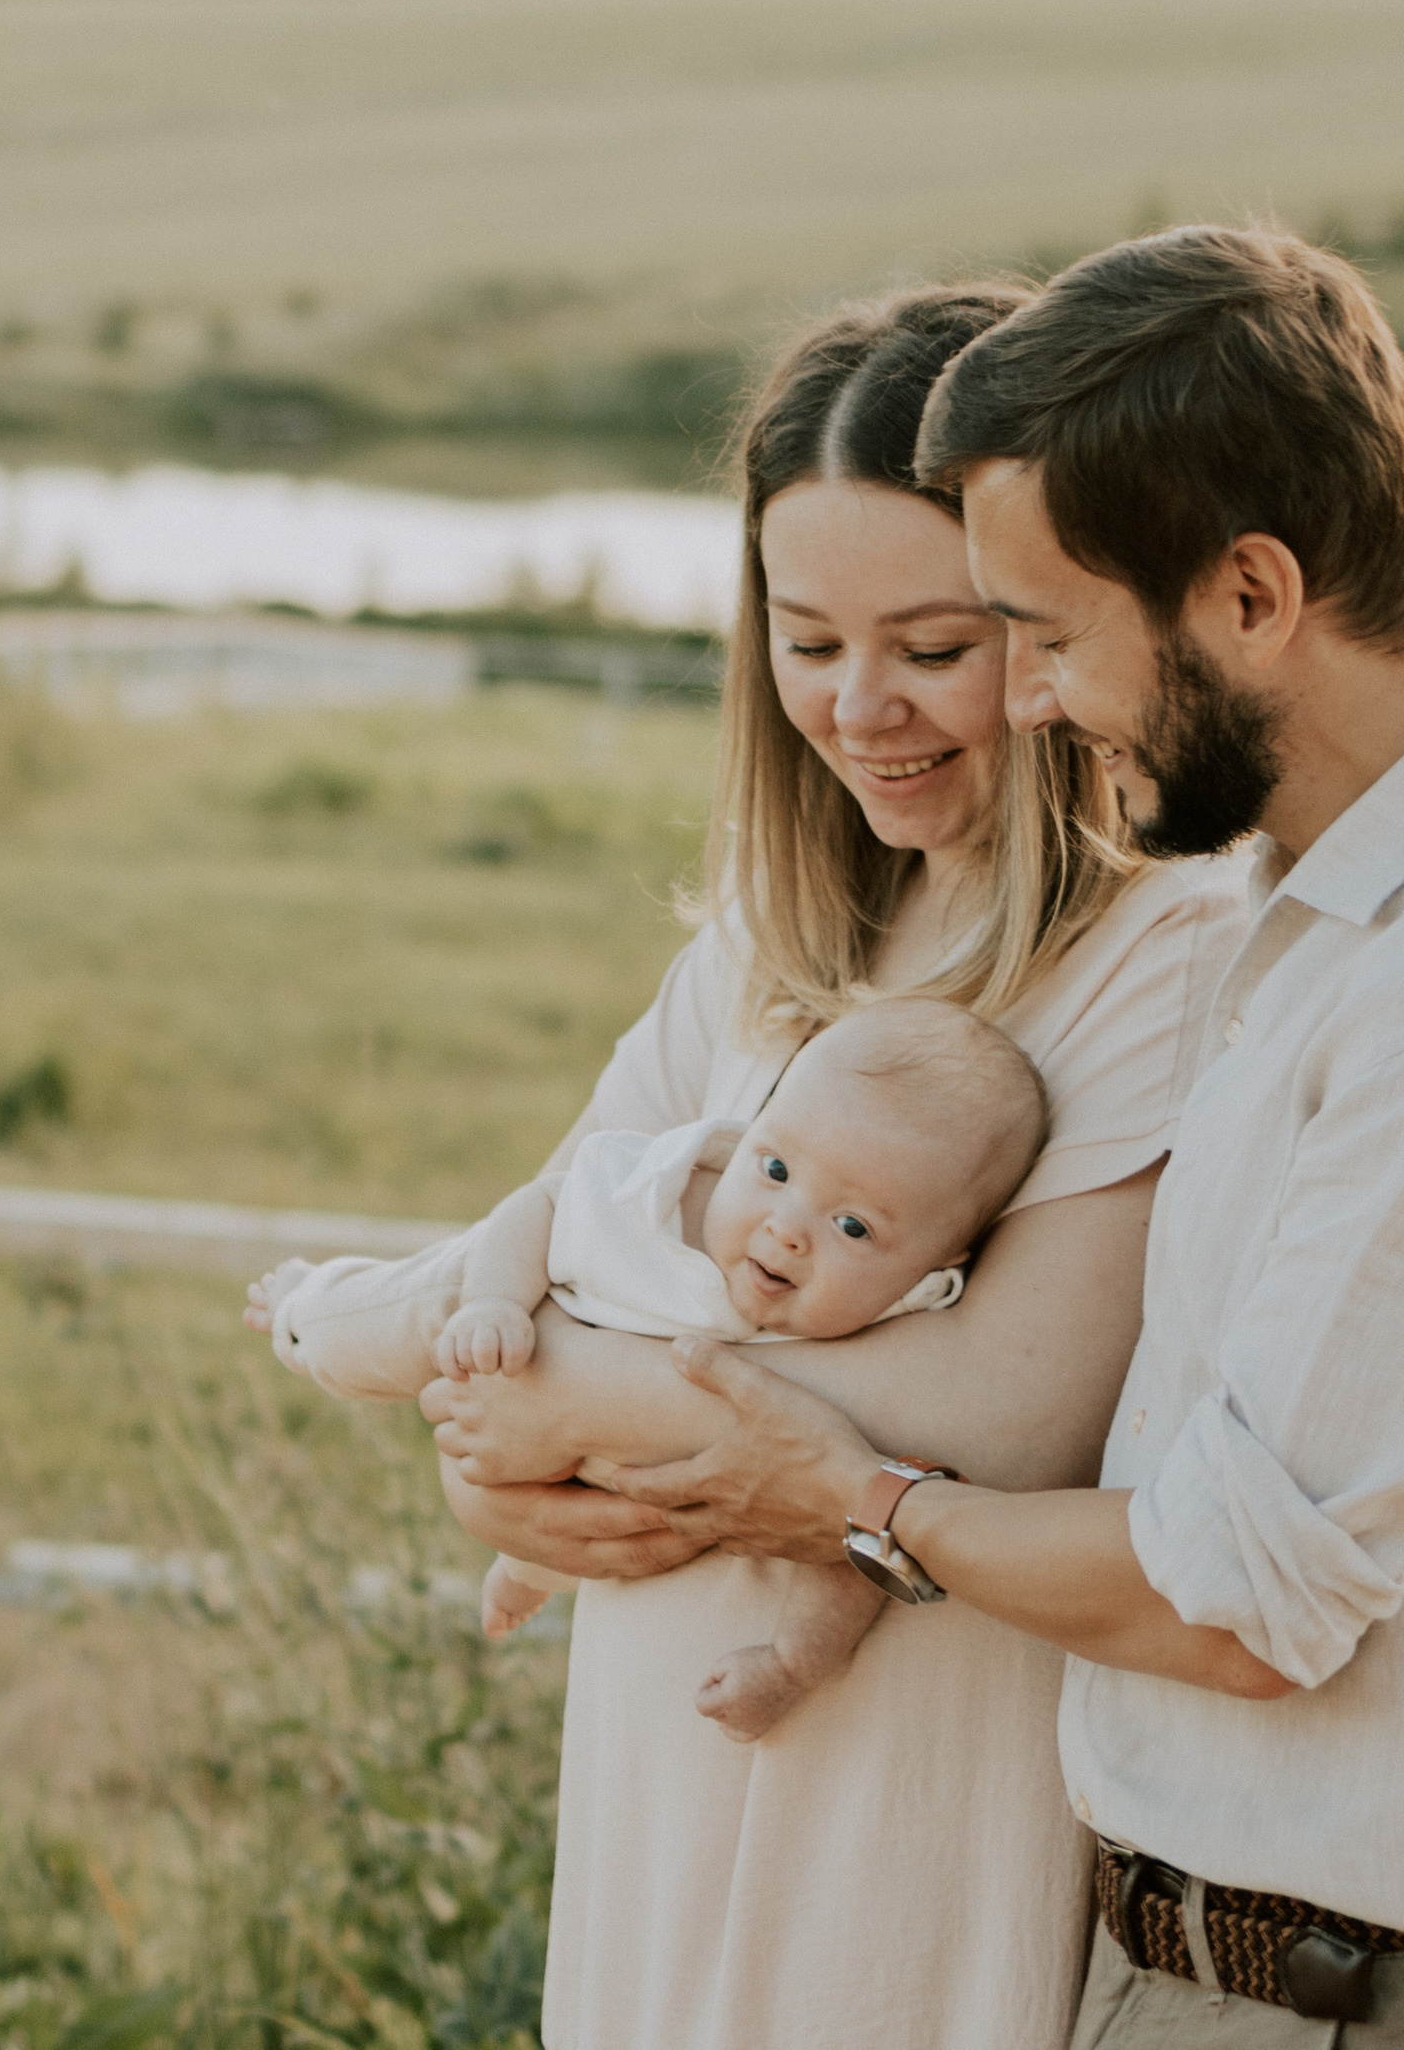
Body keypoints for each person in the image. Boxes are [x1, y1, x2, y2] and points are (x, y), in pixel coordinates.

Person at [587, 225, 1404, 2045]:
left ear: (1250, 596)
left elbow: (1230, 1585)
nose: (1027, 698)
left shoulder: (1318, 972)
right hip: (1177, 1956)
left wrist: (855, 1500)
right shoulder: (1287, 925)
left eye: (1031, 634)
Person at [416, 281, 1246, 2050]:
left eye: (936, 648)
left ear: (1056, 619)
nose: (862, 709)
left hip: (922, 1759)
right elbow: (545, 1238)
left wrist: (557, 1400)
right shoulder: (764, 933)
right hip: (658, 1734)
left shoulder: (1164, 948)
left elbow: (1005, 1409)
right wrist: (501, 1478)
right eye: (807, 641)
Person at [246, 997, 1046, 1739]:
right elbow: (542, 1203)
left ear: (938, 1266)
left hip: (638, 1500)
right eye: (774, 1171)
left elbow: (864, 1532)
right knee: (426, 1305)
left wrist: (790, 1664)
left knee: (848, 1533)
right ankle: (304, 1308)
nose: (787, 1229)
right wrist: (495, 1303)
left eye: (853, 1227)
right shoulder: (663, 1194)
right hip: (534, 1360)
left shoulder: (904, 1328)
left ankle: (547, 1579)